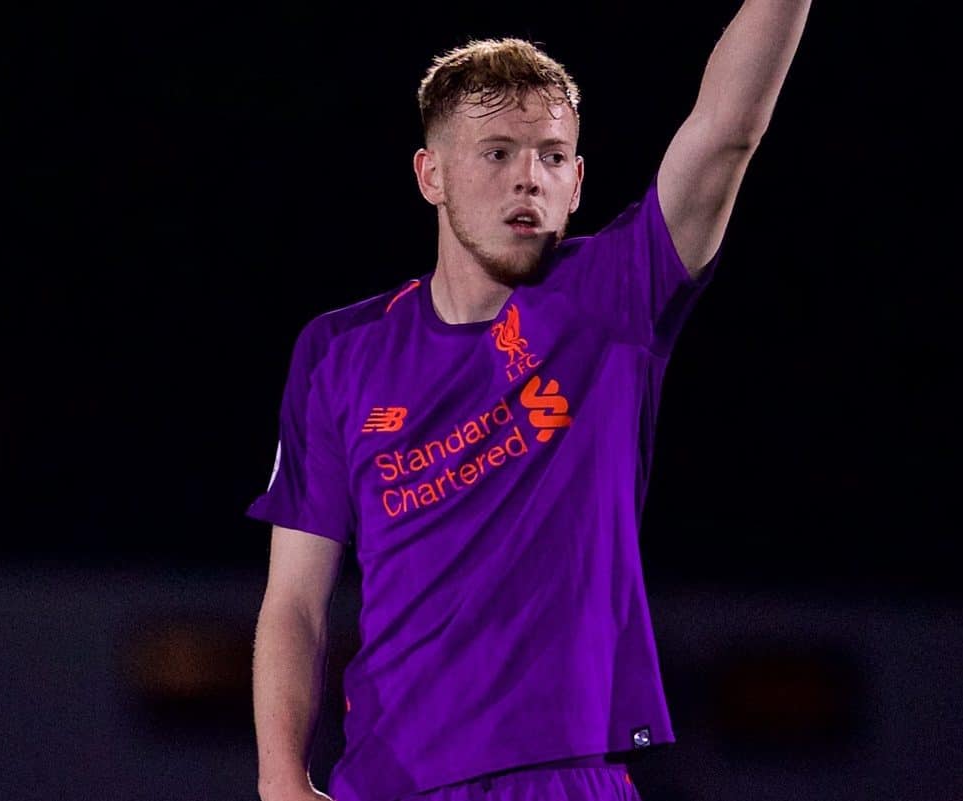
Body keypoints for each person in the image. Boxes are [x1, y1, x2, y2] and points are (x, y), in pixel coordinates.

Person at [248, 3, 811, 800]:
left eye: (552, 156)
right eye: (498, 152)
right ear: (430, 174)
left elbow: (727, 129)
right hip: (384, 782)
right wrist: (280, 779)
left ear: (577, 183)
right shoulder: (338, 351)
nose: (528, 177)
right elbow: (296, 603)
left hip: (564, 777)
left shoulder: (613, 301)